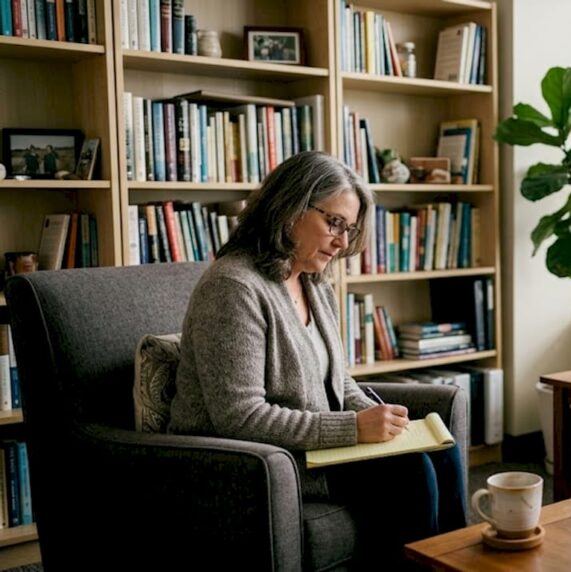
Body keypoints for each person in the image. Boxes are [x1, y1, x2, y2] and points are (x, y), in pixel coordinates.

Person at [168, 151, 467, 565]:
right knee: (408, 473)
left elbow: (340, 383)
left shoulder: (313, 282)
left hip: (314, 449)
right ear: (290, 208)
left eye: (350, 228)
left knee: (441, 451)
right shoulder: (233, 287)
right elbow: (240, 416)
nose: (343, 242)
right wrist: (353, 429)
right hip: (257, 460)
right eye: (335, 223)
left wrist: (383, 421)